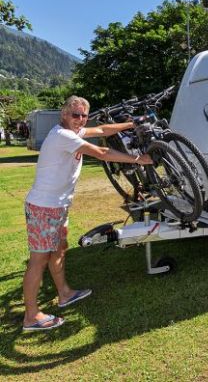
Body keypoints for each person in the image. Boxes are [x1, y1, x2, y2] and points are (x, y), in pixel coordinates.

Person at [22, 95, 153, 331]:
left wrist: (131, 124)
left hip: (58, 206)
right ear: (64, 114)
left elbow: (102, 129)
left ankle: (64, 294)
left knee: (59, 249)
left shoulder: (74, 132)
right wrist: (138, 159)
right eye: (75, 115)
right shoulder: (62, 136)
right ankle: (31, 317)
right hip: (44, 207)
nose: (80, 120)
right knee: (38, 260)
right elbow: (102, 152)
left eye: (84, 115)